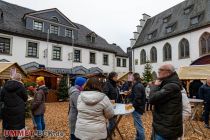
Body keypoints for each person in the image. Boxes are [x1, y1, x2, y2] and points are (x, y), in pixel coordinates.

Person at [149, 64, 183, 140]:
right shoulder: (167, 84)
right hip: (164, 126)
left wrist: (156, 86)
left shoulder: (171, 86)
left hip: (165, 129)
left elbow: (151, 99)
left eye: (161, 70)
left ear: (168, 72)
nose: (158, 71)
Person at [1, 73, 28, 140]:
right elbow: (25, 98)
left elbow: (1, 98)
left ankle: (8, 138)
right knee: (17, 127)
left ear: (13, 78)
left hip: (7, 109)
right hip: (18, 110)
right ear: (19, 79)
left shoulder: (5, 86)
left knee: (8, 126)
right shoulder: (21, 86)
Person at [129, 73, 146, 140]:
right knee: (137, 125)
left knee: (139, 126)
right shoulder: (138, 85)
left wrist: (132, 105)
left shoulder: (137, 86)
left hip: (137, 108)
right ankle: (138, 138)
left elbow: (137, 99)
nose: (131, 78)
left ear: (134, 78)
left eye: (132, 77)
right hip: (138, 107)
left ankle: (141, 138)